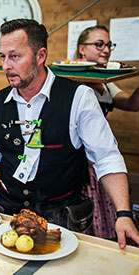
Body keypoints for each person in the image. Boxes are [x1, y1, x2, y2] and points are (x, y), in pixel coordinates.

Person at [0, 19, 139, 249]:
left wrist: (124, 213)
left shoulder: (79, 97)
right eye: (2, 57)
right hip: (6, 215)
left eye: (15, 56)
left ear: (40, 55)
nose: (5, 66)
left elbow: (107, 158)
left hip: (59, 223)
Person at [75, 25, 139, 240]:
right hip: (76, 158)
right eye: (99, 44)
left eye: (108, 45)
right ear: (82, 49)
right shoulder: (71, 81)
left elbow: (132, 104)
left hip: (98, 156)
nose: (106, 50)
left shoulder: (105, 83)